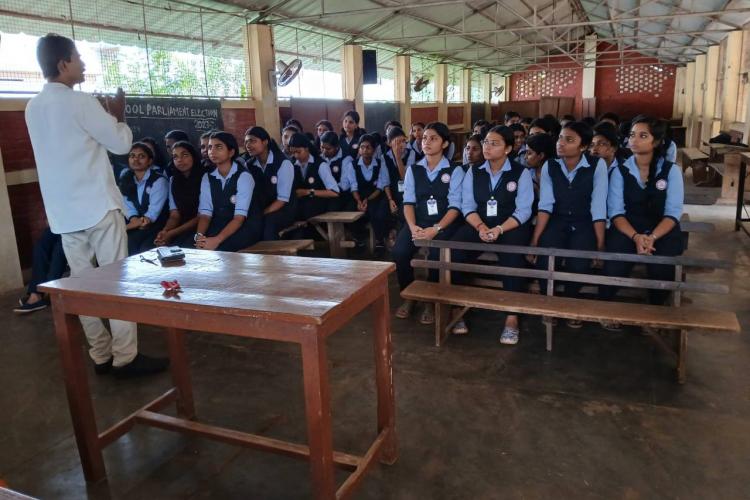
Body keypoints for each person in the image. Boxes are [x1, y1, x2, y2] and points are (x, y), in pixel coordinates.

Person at [25, 33, 167, 377]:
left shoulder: (33, 107)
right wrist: (119, 115)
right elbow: (120, 144)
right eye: (78, 57)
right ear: (63, 64)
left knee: (83, 284)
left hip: (64, 213)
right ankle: (125, 357)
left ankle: (100, 355)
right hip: (98, 207)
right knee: (118, 281)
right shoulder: (80, 102)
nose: (83, 64)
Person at [450, 125, 534, 344]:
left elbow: (524, 210)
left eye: (494, 143)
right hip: (480, 224)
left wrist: (499, 229)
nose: (487, 147)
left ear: (507, 148)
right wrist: (480, 227)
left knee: (514, 258)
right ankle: (457, 308)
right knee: (455, 251)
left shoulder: (520, 172)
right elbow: (467, 205)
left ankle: (512, 317)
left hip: (510, 225)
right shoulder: (473, 171)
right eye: (486, 142)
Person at [600, 115, 684, 320]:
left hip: (661, 229)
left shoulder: (671, 171)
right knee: (615, 264)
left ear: (655, 141)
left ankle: (656, 312)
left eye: (642, 135)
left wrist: (651, 238)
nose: (634, 140)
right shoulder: (621, 170)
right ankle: (604, 309)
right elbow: (616, 212)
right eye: (631, 135)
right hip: (628, 228)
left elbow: (673, 212)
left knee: (662, 266)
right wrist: (637, 237)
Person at [528, 121, 608, 328]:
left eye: (569, 140)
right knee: (545, 257)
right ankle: (551, 304)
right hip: (557, 219)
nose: (561, 143)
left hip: (584, 221)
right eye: (561, 138)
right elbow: (545, 205)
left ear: (583, 146)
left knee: (580, 261)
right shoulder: (550, 166)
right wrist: (535, 240)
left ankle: (571, 303)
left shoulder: (596, 165)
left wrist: (600, 245)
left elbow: (598, 205)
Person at [393, 122, 465, 324]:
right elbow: (408, 202)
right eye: (424, 138)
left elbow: (455, 206)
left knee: (435, 254)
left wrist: (436, 228)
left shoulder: (454, 170)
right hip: (418, 221)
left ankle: (430, 302)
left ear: (444, 144)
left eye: (433, 138)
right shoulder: (413, 170)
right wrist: (413, 226)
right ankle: (409, 295)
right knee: (400, 251)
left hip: (444, 224)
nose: (427, 142)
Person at [194, 131, 262, 251]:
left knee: (221, 250)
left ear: (231, 152)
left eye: (218, 147)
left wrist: (216, 240)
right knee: (193, 246)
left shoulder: (244, 176)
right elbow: (205, 214)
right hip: (220, 224)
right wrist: (199, 237)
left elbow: (239, 218)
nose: (212, 151)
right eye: (210, 147)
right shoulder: (207, 177)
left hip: (245, 226)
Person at [243, 126, 296, 240]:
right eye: (246, 141)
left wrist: (261, 214)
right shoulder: (249, 165)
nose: (248, 145)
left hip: (284, 209)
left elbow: (282, 200)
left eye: (252, 141)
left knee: (268, 224)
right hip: (262, 207)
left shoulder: (283, 163)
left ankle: (272, 257)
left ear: (265, 142)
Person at [154, 141, 206, 248]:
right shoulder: (173, 180)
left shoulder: (205, 178)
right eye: (175, 157)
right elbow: (174, 214)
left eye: (185, 155)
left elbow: (202, 216)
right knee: (160, 245)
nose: (180, 160)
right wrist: (165, 232)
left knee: (184, 248)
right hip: (182, 224)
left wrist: (172, 233)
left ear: (194, 156)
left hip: (203, 225)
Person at [120, 142, 168, 255]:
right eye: (132, 156)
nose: (136, 160)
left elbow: (152, 215)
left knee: (145, 250)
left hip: (156, 226)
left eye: (141, 156)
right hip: (136, 224)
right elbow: (129, 208)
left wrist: (123, 229)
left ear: (150, 161)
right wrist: (134, 221)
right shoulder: (126, 179)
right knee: (126, 244)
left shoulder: (159, 181)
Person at [348, 134, 391, 253]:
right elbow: (353, 186)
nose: (365, 150)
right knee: (349, 210)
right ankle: (359, 239)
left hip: (375, 195)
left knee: (378, 212)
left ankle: (379, 241)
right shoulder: (353, 165)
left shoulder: (380, 163)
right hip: (358, 196)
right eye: (362, 147)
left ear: (374, 149)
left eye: (368, 147)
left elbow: (380, 186)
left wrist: (367, 200)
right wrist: (359, 201)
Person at [13, 227, 67, 314]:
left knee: (59, 248)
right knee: (40, 246)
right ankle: (36, 293)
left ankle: (48, 291)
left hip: (81, 224)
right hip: (60, 223)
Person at [289, 133, 340, 221]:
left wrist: (308, 192)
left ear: (307, 148)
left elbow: (334, 192)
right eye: (293, 153)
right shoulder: (292, 164)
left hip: (318, 203)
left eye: (298, 152)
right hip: (299, 203)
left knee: (303, 210)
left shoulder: (320, 164)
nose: (296, 156)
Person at [319, 131, 355, 211]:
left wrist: (328, 190)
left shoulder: (346, 159)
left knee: (331, 208)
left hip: (341, 195)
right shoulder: (320, 158)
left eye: (328, 149)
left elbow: (344, 185)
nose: (324, 151)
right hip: (323, 194)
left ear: (337, 147)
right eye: (322, 147)